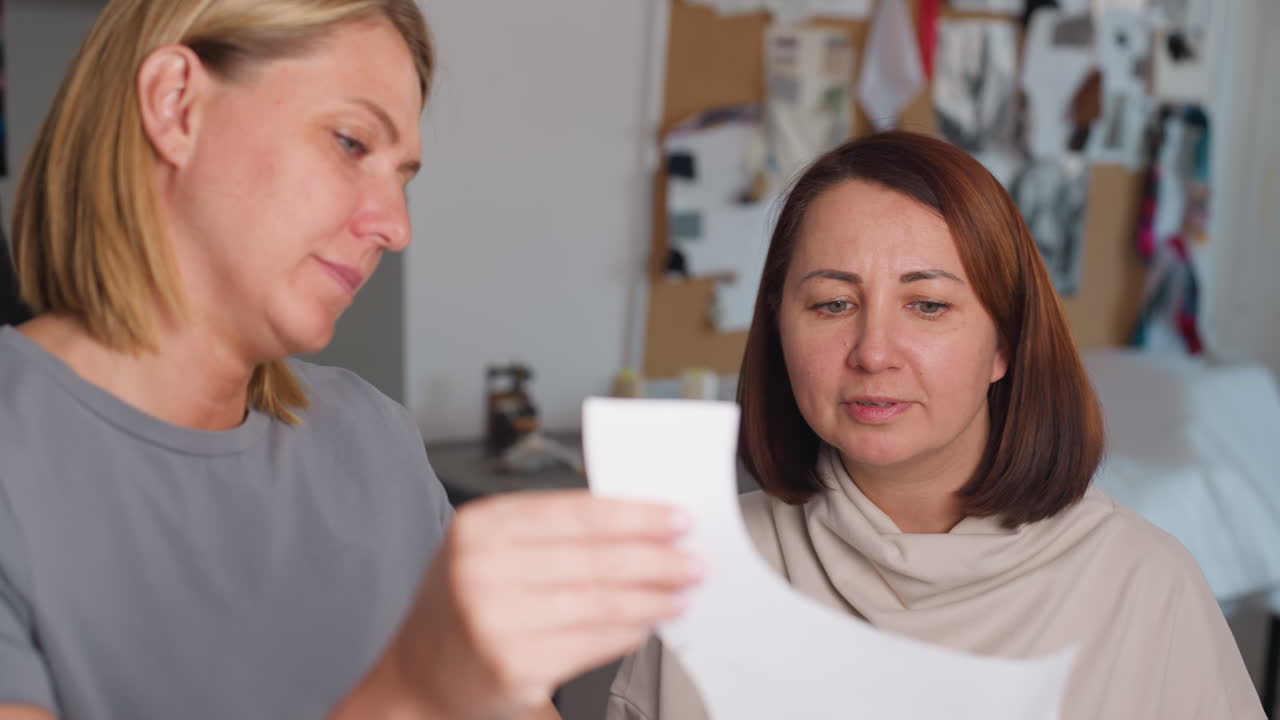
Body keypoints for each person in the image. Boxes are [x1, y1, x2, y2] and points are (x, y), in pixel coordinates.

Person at [0, 1, 701, 719]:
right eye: (350, 142)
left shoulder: (373, 439)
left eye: (404, 176)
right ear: (177, 106)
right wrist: (413, 697)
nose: (396, 227)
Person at [607, 131, 1264, 719]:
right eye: (834, 303)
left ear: (1004, 343)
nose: (873, 351)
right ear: (779, 327)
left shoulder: (1144, 584)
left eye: (927, 305)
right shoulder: (703, 569)